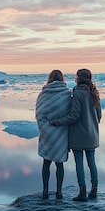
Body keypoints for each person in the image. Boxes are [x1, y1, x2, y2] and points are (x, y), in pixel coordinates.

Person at [50, 68, 101, 201]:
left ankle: (82, 192)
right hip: (92, 135)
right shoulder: (94, 93)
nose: (74, 78)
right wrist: (93, 125)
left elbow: (74, 116)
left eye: (76, 76)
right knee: (92, 162)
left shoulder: (78, 93)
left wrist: (57, 122)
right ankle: (94, 190)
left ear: (79, 78)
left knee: (79, 163)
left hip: (79, 135)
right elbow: (99, 115)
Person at [35, 69, 72, 199]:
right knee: (59, 163)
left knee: (46, 162)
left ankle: (45, 190)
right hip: (61, 131)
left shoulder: (43, 93)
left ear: (49, 78)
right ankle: (59, 191)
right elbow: (69, 113)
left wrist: (44, 127)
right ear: (62, 78)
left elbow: (38, 113)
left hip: (46, 131)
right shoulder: (67, 94)